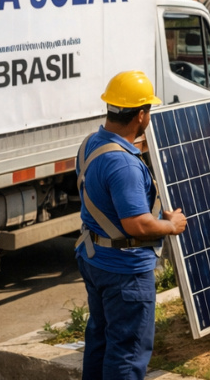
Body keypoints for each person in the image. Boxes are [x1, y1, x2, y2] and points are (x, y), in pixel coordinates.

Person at [75, 71, 187, 380]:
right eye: (148, 109)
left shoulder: (91, 144)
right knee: (127, 352)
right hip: (124, 272)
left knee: (100, 339)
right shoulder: (123, 163)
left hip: (94, 258)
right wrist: (171, 225)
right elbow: (136, 225)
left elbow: (111, 207)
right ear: (141, 115)